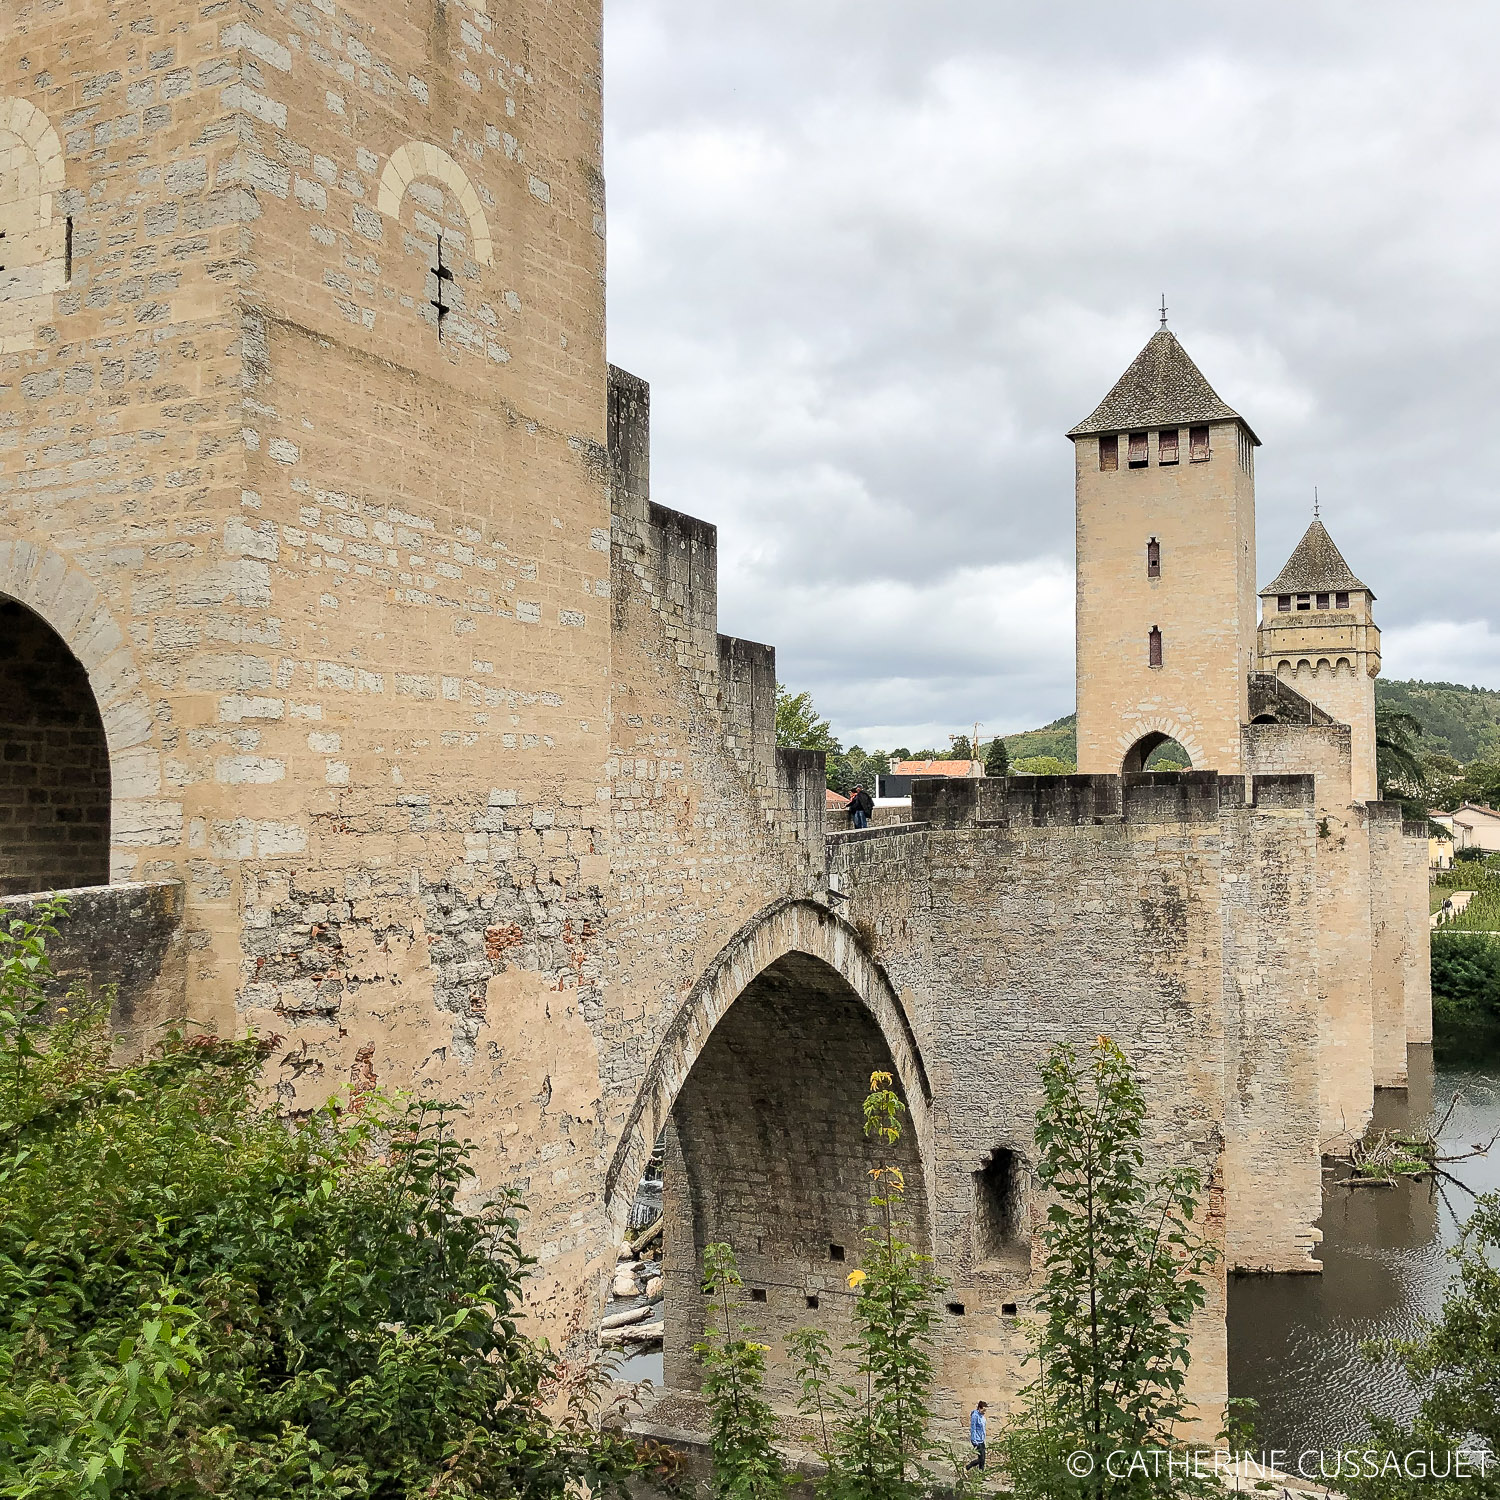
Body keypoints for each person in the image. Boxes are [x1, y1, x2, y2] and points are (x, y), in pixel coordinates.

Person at [967, 1400, 987, 1470]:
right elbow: (973, 1428)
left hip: (981, 1439)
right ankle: (968, 1466)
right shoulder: (975, 1416)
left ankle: (981, 1473)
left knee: (983, 1458)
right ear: (979, 1408)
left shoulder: (982, 1416)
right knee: (981, 1459)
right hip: (976, 1440)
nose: (984, 1412)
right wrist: (974, 1440)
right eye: (983, 1410)